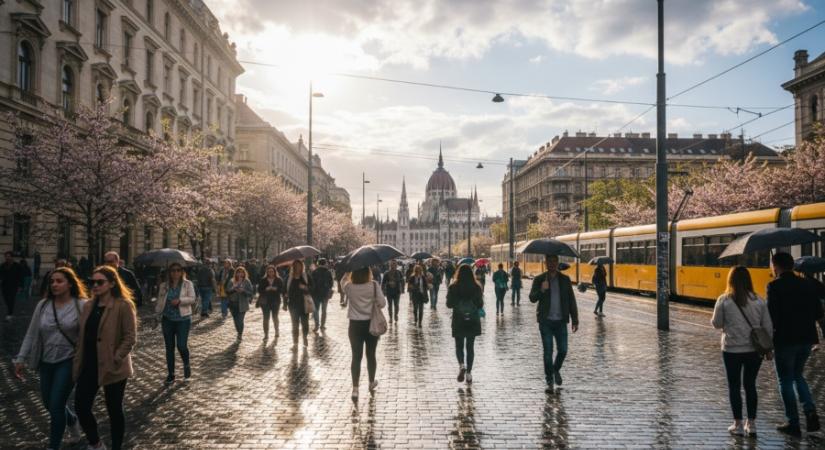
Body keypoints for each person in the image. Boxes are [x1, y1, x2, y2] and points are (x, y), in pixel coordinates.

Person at [14, 267, 87, 449]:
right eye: (52, 281)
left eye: (59, 281)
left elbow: (91, 335)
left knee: (56, 404)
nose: (54, 284)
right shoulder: (43, 305)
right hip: (46, 361)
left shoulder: (81, 305)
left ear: (70, 284)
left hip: (69, 360)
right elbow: (31, 333)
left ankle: (53, 446)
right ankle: (72, 420)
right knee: (48, 403)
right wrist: (21, 358)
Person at [74, 265, 137, 450]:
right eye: (92, 282)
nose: (95, 285)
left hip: (113, 365)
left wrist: (117, 356)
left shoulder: (123, 305)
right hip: (89, 363)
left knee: (114, 409)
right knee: (81, 406)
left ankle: (116, 446)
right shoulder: (88, 306)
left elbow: (130, 336)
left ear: (111, 283)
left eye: (100, 282)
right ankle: (96, 443)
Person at [711, 266, 773, 437]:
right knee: (750, 385)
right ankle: (751, 424)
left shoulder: (724, 300)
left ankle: (737, 424)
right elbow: (767, 326)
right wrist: (769, 348)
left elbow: (716, 323)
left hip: (731, 349)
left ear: (730, 280)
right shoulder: (759, 300)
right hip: (754, 350)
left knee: (734, 386)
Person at [766, 252, 823, 436]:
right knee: (798, 375)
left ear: (776, 266)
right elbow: (818, 313)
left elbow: (772, 317)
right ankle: (810, 410)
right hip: (807, 339)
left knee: (785, 380)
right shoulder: (807, 284)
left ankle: (793, 422)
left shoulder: (774, 286)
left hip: (785, 340)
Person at [529, 254, 579, 393]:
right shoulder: (540, 279)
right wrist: (542, 290)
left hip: (561, 321)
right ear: (545, 263)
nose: (551, 264)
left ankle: (555, 369)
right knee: (548, 352)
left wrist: (575, 319)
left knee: (563, 350)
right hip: (546, 321)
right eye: (549, 261)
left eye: (554, 261)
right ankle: (549, 380)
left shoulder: (565, 279)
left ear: (557, 263)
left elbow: (571, 300)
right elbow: (532, 298)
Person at [341, 267, 387, 402]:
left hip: (355, 325)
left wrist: (347, 271)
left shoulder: (349, 287)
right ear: (368, 273)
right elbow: (382, 303)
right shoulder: (374, 285)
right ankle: (371, 382)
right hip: (371, 324)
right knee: (371, 354)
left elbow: (342, 283)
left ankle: (355, 388)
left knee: (356, 356)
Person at [155, 263, 196, 384]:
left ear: (182, 271)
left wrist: (180, 301)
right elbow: (160, 301)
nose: (175, 272)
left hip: (183, 319)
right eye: (173, 270)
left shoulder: (188, 284)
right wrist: (157, 314)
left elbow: (192, 298)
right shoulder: (164, 285)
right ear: (169, 272)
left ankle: (186, 364)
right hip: (167, 319)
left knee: (181, 346)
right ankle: (171, 374)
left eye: (178, 270)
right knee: (169, 347)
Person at [447, 264, 484, 384]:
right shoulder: (476, 287)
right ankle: (469, 374)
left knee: (459, 345)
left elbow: (449, 304)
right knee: (470, 347)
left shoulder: (453, 287)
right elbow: (480, 304)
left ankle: (462, 365)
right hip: (472, 319)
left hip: (458, 319)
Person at [285, 260, 312, 349]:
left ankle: (305, 337)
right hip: (293, 304)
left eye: (299, 265)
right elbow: (284, 289)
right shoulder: (289, 277)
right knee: (294, 324)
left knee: (305, 323)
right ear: (293, 267)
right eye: (295, 266)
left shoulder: (306, 276)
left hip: (304, 304)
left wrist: (305, 287)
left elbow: (313, 287)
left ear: (302, 266)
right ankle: (295, 343)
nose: (297, 267)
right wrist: (285, 297)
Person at [226, 266, 254, 341]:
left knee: (240, 321)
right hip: (233, 304)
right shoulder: (232, 280)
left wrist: (243, 291)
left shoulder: (247, 281)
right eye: (238, 272)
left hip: (242, 304)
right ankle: (239, 331)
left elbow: (251, 293)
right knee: (235, 320)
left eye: (242, 272)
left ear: (244, 273)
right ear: (236, 273)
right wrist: (233, 289)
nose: (240, 274)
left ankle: (240, 334)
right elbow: (227, 291)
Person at [258, 265, 284, 341]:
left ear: (275, 272)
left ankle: (277, 331)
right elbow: (259, 290)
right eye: (269, 271)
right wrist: (266, 289)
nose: (270, 273)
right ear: (267, 272)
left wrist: (276, 289)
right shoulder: (263, 280)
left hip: (275, 301)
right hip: (265, 301)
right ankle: (266, 334)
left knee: (275, 317)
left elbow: (282, 290)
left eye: (272, 271)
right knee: (266, 318)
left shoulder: (278, 280)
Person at [310, 258, 334, 331]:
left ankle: (316, 325)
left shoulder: (314, 272)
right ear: (325, 263)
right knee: (324, 310)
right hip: (325, 294)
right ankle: (322, 325)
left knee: (316, 310)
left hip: (315, 294)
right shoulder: (328, 272)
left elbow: (311, 283)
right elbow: (331, 283)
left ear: (318, 263)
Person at [1, 251, 24, 321]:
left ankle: (9, 314)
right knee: (6, 299)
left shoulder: (17, 266)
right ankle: (9, 311)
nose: (7, 258)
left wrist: (21, 286)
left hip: (14, 285)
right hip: (4, 285)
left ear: (12, 257)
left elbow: (21, 276)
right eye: (6, 256)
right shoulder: (3, 265)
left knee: (11, 299)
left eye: (9, 256)